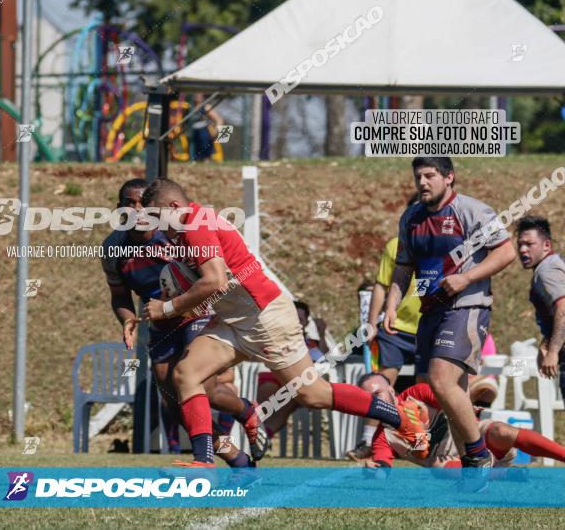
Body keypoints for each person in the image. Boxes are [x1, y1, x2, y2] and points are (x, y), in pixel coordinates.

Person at [140, 178, 425, 469]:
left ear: (174, 206)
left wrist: (168, 307)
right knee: (187, 374)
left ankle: (400, 417)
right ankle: (206, 463)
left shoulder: (196, 226)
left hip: (267, 319)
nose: (158, 226)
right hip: (236, 321)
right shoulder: (190, 226)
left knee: (314, 395)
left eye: (157, 216)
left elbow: (215, 280)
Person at [101, 178, 266, 466]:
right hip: (160, 322)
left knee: (201, 386)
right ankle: (235, 456)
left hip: (197, 312)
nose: (138, 209)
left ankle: (244, 411)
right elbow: (120, 297)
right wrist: (127, 320)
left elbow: (211, 274)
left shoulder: (173, 234)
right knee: (175, 403)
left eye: (143, 203)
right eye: (130, 204)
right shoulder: (113, 247)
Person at [384, 157, 516, 474]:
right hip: (430, 311)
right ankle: (480, 467)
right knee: (448, 392)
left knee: (442, 380)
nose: (423, 182)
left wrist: (466, 278)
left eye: (430, 175)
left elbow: (506, 252)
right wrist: (392, 303)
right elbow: (403, 267)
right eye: (418, 177)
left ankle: (477, 455)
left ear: (449, 178)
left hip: (467, 305)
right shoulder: (411, 218)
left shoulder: (472, 211)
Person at [359, 373, 565, 471]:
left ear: (392, 390)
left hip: (475, 442)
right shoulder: (382, 437)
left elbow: (451, 400)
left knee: (502, 430)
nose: (376, 400)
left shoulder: (416, 393)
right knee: (438, 467)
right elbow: (383, 466)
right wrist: (374, 470)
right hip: (457, 467)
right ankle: (503, 474)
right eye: (370, 398)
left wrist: (467, 405)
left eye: (378, 393)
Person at [350, 196, 422, 460]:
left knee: (426, 387)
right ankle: (368, 441)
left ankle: (420, 440)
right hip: (395, 329)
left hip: (429, 330)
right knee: (380, 383)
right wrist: (371, 323)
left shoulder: (441, 247)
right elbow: (381, 285)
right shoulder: (395, 245)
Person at [256, 300, 329, 438]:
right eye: (292, 317)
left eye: (300, 319)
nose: (296, 322)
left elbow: (326, 361)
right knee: (273, 394)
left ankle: (263, 435)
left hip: (296, 385)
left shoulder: (311, 343)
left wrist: (322, 334)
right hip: (271, 379)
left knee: (296, 395)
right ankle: (259, 433)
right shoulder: (270, 336)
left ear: (306, 323)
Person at [516, 216, 565, 396]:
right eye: (520, 244)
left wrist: (552, 352)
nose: (522, 249)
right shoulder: (550, 266)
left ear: (546, 245)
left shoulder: (547, 271)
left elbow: (563, 309)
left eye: (529, 244)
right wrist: (546, 345)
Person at [189, 93, 224, 162]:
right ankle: (195, 160)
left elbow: (219, 120)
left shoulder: (206, 107)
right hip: (193, 131)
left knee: (204, 144)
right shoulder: (190, 107)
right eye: (196, 94)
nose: (197, 96)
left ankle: (206, 160)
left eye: (199, 95)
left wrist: (215, 131)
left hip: (204, 131)